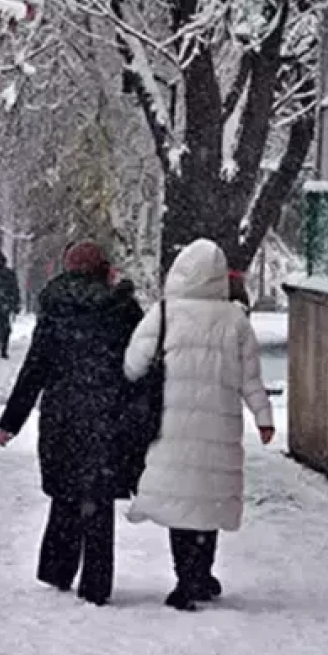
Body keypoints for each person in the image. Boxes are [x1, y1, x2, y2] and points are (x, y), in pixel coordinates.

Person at [123, 239, 275, 612]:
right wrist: (264, 417)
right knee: (208, 500)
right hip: (218, 427)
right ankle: (202, 574)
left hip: (171, 425)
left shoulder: (163, 314)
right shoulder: (235, 321)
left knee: (181, 502)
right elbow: (251, 379)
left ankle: (185, 577)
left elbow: (133, 365)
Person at [0, 241, 144, 606]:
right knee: (99, 501)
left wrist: (11, 420)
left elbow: (35, 366)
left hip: (63, 415)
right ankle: (96, 584)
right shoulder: (122, 309)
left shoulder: (56, 307)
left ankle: (58, 569)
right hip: (107, 416)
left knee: (65, 494)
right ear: (103, 268)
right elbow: (140, 366)